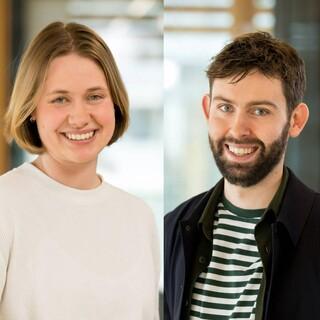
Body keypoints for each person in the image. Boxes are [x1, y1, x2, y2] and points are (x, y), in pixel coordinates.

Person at [0, 21, 159, 320]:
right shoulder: (5, 205)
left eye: (94, 96)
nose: (79, 117)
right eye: (60, 99)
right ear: (32, 109)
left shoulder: (140, 218)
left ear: (114, 102)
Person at [164, 32, 320, 320]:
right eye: (225, 108)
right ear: (207, 110)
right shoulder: (172, 229)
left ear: (295, 121)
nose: (238, 129)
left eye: (260, 111)